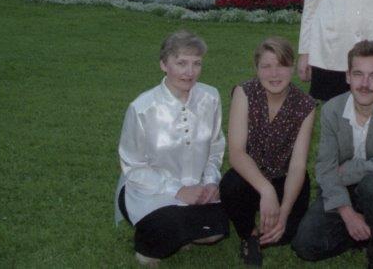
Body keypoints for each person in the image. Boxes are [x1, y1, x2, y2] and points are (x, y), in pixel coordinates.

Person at [292, 40, 373, 268]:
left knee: (372, 186)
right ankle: (371, 230)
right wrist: (347, 214)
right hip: (344, 187)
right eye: (358, 74)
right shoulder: (332, 110)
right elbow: (325, 167)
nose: (364, 84)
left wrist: (347, 170)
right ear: (348, 76)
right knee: (306, 245)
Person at [115, 30, 228, 265]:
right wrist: (178, 190)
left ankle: (182, 228)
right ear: (164, 65)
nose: (190, 72)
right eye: (181, 63)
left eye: (196, 63)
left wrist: (210, 182)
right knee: (170, 228)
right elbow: (133, 167)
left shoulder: (210, 97)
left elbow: (215, 147)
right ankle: (148, 244)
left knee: (217, 230)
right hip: (151, 191)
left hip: (197, 188)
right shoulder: (142, 108)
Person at [220, 37, 316, 266]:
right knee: (230, 186)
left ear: (292, 67)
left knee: (286, 235)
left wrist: (283, 212)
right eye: (266, 66)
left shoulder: (305, 105)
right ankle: (249, 235)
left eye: (281, 65)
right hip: (250, 175)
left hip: (286, 177)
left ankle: (274, 218)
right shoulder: (244, 93)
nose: (274, 74)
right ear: (257, 68)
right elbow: (236, 153)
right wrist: (266, 190)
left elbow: (297, 165)